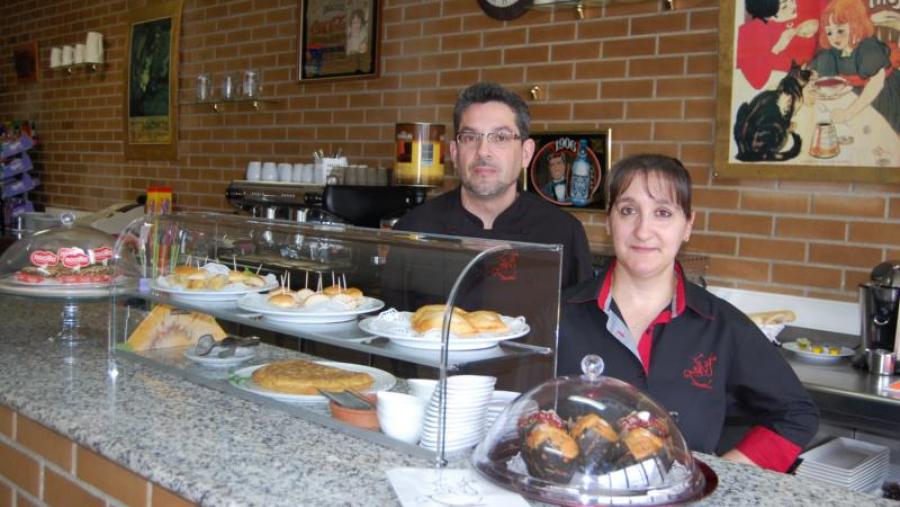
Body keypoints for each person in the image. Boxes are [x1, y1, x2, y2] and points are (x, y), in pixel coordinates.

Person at [557, 154, 818, 472]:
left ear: (687, 226)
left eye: (663, 213)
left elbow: (796, 415)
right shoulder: (556, 315)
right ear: (609, 221)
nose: (643, 230)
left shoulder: (723, 327)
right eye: (628, 211)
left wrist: (723, 477)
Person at [392, 82, 593, 290]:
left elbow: (580, 319)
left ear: (526, 153)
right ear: (454, 153)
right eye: (470, 137)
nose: (483, 151)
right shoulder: (413, 230)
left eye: (500, 137)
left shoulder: (563, 233)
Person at [809, 0, 900, 132]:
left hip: (884, 97)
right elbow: (816, 73)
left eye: (840, 30)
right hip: (855, 97)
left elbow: (876, 83)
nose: (834, 37)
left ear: (855, 26)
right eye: (829, 32)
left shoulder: (868, 47)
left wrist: (848, 113)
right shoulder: (834, 51)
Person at [736, 0, 820, 90]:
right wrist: (777, 48)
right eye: (784, 6)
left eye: (792, 0)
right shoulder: (750, 31)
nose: (794, 6)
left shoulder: (796, 18)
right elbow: (757, 82)